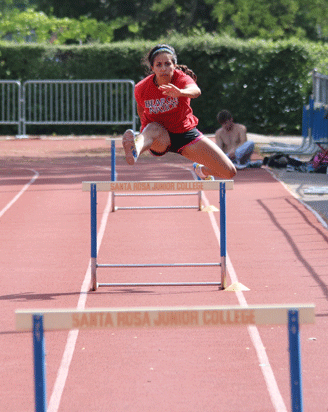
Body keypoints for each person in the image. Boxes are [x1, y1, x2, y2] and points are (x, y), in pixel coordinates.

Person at [122, 44, 236, 180]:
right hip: (160, 136)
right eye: (158, 65)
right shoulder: (141, 88)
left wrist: (181, 92)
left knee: (229, 172)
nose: (163, 68)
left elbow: (196, 91)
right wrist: (145, 133)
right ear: (152, 68)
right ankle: (135, 149)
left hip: (185, 134)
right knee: (152, 128)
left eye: (167, 64)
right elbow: (141, 110)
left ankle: (202, 171)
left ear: (174, 65)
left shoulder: (181, 78)